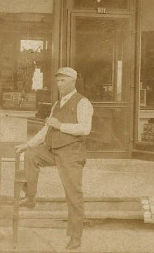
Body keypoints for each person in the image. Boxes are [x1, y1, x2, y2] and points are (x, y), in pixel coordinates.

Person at [15, 67, 93, 250]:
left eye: (64, 80)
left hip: (72, 153)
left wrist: (60, 125)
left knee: (73, 195)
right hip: (52, 150)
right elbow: (46, 130)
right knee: (31, 154)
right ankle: (30, 197)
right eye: (58, 81)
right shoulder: (57, 104)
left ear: (73, 81)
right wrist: (28, 144)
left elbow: (85, 129)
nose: (60, 84)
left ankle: (75, 236)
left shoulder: (83, 102)